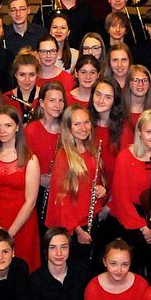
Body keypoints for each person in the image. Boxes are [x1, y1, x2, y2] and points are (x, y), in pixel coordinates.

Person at [108, 110, 151, 279]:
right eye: (149, 132)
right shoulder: (125, 157)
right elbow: (122, 199)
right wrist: (145, 230)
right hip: (131, 220)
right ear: (139, 133)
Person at [0, 107, 41, 271]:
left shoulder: (30, 159)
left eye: (8, 125)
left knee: (23, 269)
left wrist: (10, 233)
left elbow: (31, 202)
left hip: (22, 223)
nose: (2, 130)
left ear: (17, 127)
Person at [45, 105, 107, 253]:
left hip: (90, 221)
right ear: (68, 127)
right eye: (77, 124)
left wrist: (101, 190)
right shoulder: (64, 156)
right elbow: (62, 201)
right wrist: (78, 231)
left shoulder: (92, 151)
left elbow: (91, 184)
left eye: (86, 122)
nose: (83, 128)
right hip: (73, 228)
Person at [25, 81, 66, 225]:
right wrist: (40, 179)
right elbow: (24, 164)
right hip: (38, 192)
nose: (57, 105)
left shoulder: (66, 129)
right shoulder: (31, 130)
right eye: (52, 100)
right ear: (42, 103)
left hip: (61, 193)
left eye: (61, 100)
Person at [91, 77, 129, 189]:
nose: (101, 101)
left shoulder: (124, 129)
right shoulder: (85, 122)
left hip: (114, 192)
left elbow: (124, 172)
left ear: (115, 101)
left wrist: (109, 196)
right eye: (98, 94)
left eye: (108, 97)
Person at [4, 49, 40, 123]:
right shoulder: (6, 98)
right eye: (22, 75)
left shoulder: (45, 97)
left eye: (32, 75)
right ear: (15, 75)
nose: (27, 80)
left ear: (37, 74)